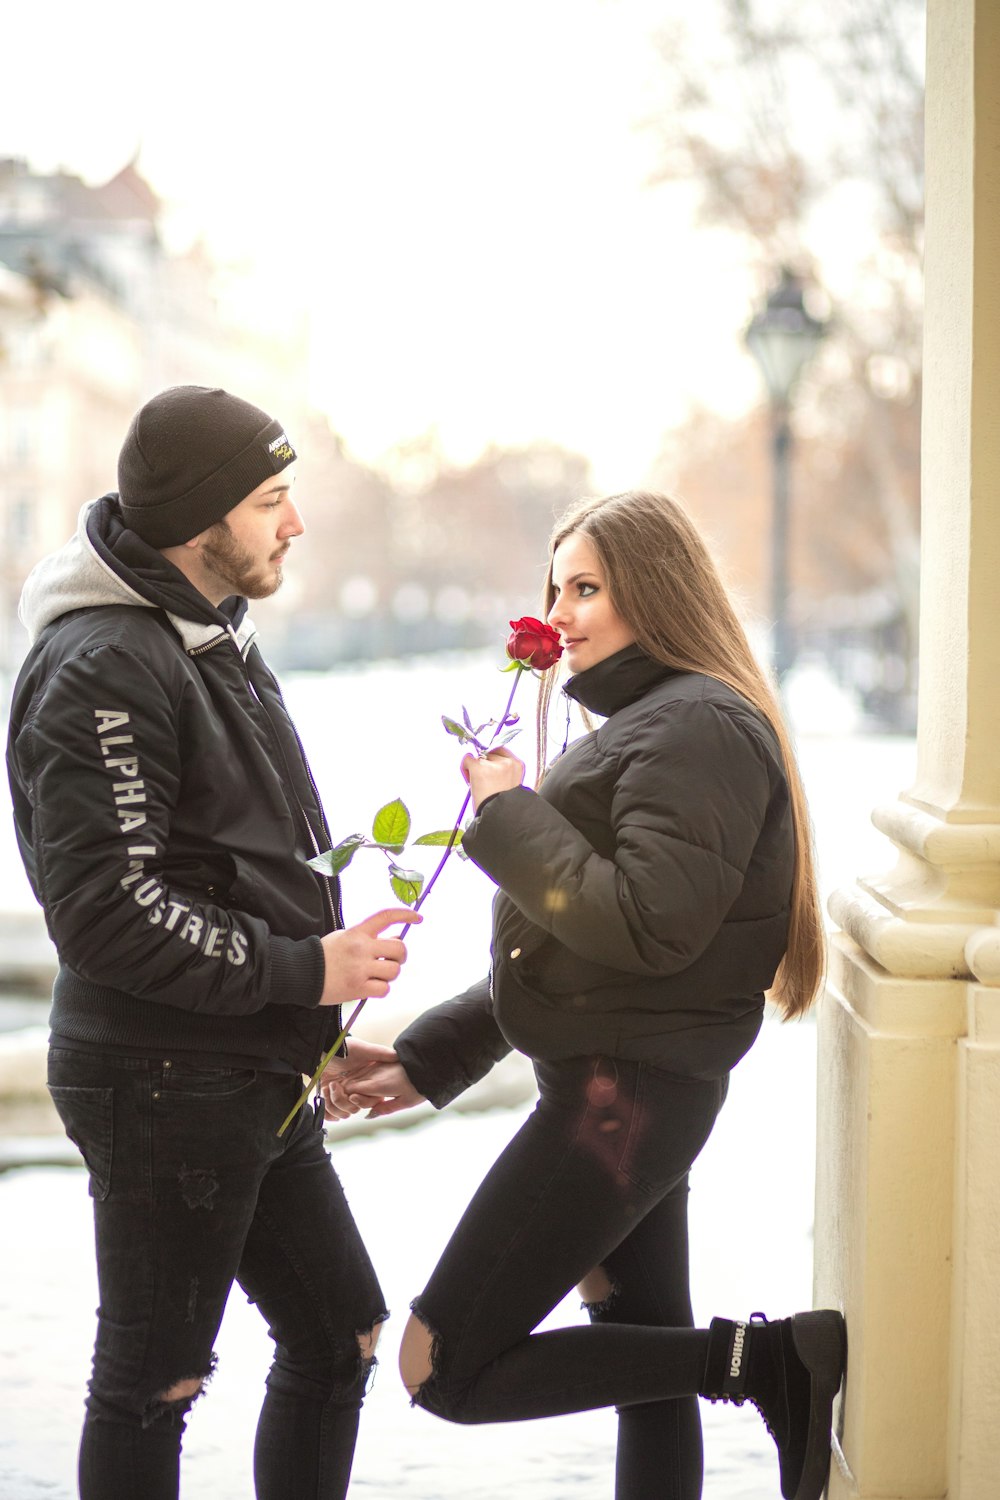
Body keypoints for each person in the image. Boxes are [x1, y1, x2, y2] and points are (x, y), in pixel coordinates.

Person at [324, 490, 847, 1500]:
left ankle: (765, 1364)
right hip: (631, 1082)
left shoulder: (695, 725)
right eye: (553, 588)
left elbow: (646, 925)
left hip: (621, 1098)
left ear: (655, 591)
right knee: (639, 1364)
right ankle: (753, 1366)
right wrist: (430, 1058)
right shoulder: (660, 720)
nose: (558, 615)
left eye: (586, 588)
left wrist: (509, 811)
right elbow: (575, 950)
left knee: (442, 1366)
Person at [5, 385, 419, 1500]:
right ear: (202, 519)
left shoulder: (198, 637)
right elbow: (106, 909)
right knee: (154, 1385)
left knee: (340, 1336)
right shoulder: (107, 661)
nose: (293, 524)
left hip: (241, 1062)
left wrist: (312, 1008)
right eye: (272, 500)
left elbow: (222, 852)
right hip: (163, 1075)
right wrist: (304, 970)